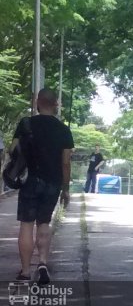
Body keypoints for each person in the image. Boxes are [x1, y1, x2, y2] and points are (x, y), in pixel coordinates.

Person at [10, 88, 74, 284]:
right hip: (52, 183)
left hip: (29, 180)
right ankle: (43, 263)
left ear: (37, 102)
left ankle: (25, 272)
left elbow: (13, 150)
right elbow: (65, 163)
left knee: (27, 225)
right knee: (44, 223)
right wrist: (65, 189)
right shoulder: (63, 129)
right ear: (56, 104)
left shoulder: (26, 124)